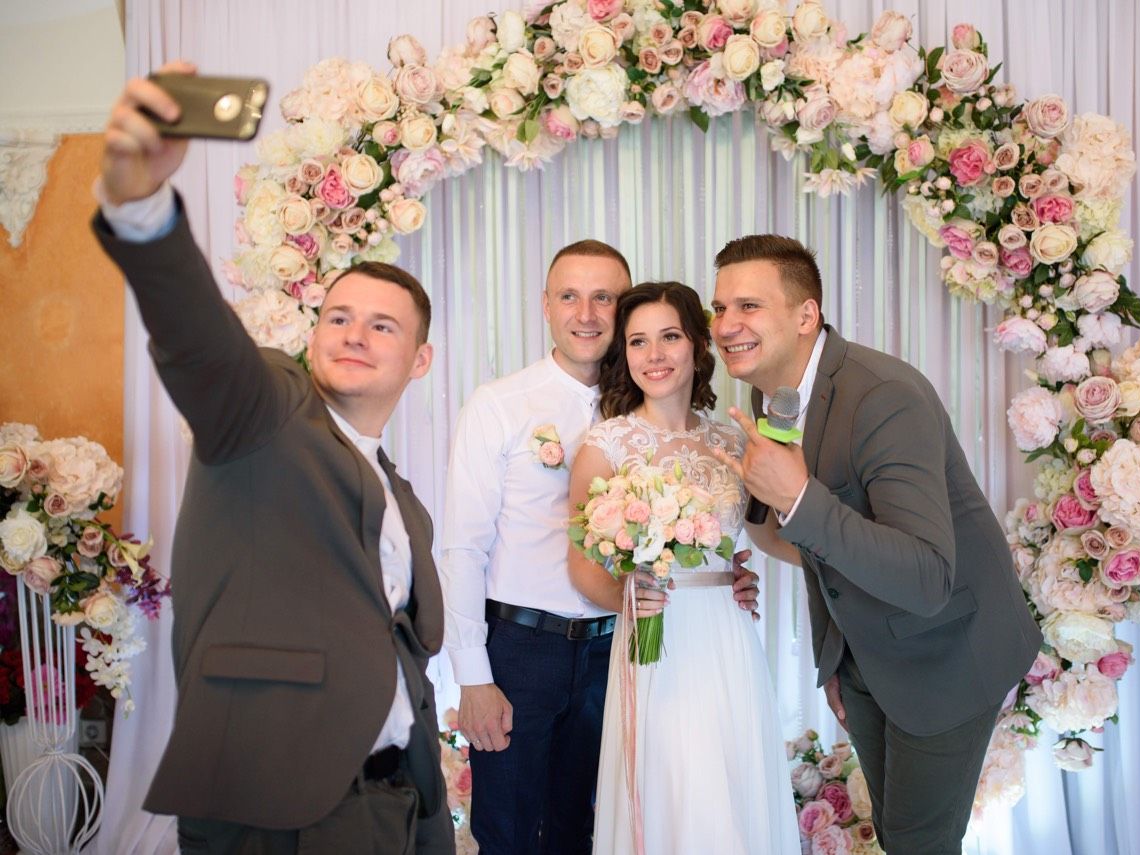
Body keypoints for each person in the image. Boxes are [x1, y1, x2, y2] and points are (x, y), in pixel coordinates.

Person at [93, 64, 452, 853]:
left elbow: (402, 658)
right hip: (274, 811)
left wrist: (430, 817)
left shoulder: (403, 498)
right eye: (338, 317)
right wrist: (142, 210)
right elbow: (196, 336)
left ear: (420, 360)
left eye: (383, 326)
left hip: (395, 801)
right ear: (313, 334)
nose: (354, 334)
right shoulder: (264, 412)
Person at [708, 234, 1043, 854]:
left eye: (748, 306)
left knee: (919, 843)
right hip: (868, 656)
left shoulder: (884, 396)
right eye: (720, 308)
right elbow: (816, 550)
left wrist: (798, 497)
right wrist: (837, 658)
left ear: (806, 315)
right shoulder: (774, 393)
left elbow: (927, 577)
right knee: (894, 832)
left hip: (948, 652)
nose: (726, 325)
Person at [440, 247, 763, 854]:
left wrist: (721, 578)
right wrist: (473, 677)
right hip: (523, 649)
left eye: (603, 298)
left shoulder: (646, 406)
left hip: (615, 651)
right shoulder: (502, 404)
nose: (586, 314)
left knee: (587, 831)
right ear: (546, 305)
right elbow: (462, 548)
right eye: (569, 296)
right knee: (508, 834)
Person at [568, 282, 800, 855]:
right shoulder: (606, 444)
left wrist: (738, 573)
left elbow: (762, 534)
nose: (654, 355)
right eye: (638, 341)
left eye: (669, 336)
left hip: (728, 636)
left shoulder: (731, 439)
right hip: (656, 643)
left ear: (698, 344)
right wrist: (627, 596)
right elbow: (582, 566)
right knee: (676, 790)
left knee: (733, 793)